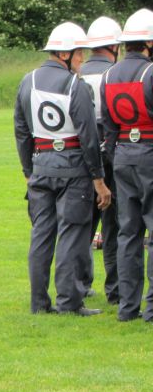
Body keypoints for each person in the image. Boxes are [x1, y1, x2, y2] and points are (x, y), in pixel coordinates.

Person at [15, 22, 111, 315]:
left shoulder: (27, 81)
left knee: (41, 234)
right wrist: (99, 179)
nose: (82, 59)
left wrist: (28, 170)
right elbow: (88, 136)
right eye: (79, 53)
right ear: (66, 54)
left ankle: (39, 303)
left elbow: (21, 130)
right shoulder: (74, 85)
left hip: (41, 166)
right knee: (72, 233)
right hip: (73, 170)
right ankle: (69, 302)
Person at [100, 8, 153, 321]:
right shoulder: (151, 73)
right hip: (148, 152)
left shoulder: (109, 74)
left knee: (127, 233)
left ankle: (127, 307)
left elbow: (108, 126)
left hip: (121, 155)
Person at [80, 17, 121, 303]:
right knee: (113, 224)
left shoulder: (77, 73)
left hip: (81, 155)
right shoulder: (116, 73)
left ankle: (80, 285)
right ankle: (114, 288)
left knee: (84, 224)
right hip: (111, 153)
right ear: (113, 46)